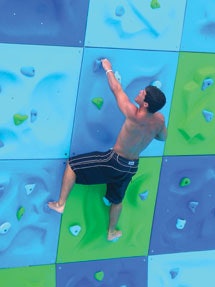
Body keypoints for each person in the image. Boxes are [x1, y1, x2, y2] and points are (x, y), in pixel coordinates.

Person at [48, 58, 167, 242]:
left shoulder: (133, 114)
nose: (140, 92)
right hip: (131, 166)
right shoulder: (159, 120)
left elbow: (116, 90)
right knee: (117, 199)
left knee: (73, 164)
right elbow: (162, 137)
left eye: (143, 93)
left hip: (115, 161)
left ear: (145, 104)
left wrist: (108, 69)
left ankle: (61, 204)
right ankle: (112, 231)